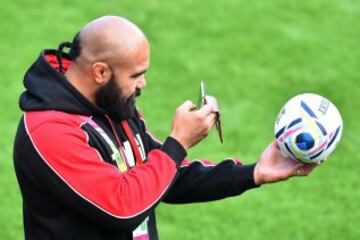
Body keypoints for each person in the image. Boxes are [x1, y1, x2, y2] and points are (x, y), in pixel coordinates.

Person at [13, 16, 318, 240]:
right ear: (101, 72)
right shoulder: (50, 131)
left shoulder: (110, 104)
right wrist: (178, 143)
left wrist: (253, 173)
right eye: (136, 75)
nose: (143, 84)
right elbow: (121, 207)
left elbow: (162, 174)